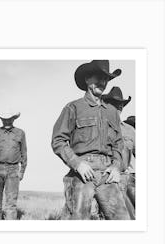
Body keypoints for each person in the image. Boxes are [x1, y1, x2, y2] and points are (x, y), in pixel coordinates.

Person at [51, 60, 130, 220]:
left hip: (108, 174)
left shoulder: (112, 112)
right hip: (82, 174)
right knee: (78, 221)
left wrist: (116, 167)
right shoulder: (73, 108)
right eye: (98, 77)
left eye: (106, 79)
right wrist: (77, 164)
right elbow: (58, 140)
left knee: (123, 221)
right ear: (87, 79)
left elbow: (119, 144)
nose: (102, 82)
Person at [0, 111, 27, 220]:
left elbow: (24, 153)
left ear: (13, 119)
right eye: (4, 118)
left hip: (13, 170)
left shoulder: (20, 133)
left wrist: (22, 171)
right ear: (1, 119)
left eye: (9, 118)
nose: (7, 121)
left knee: (11, 204)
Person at [103, 87, 136, 215]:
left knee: (131, 217)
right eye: (115, 104)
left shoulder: (129, 130)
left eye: (121, 105)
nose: (119, 107)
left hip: (126, 180)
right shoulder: (100, 127)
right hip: (105, 179)